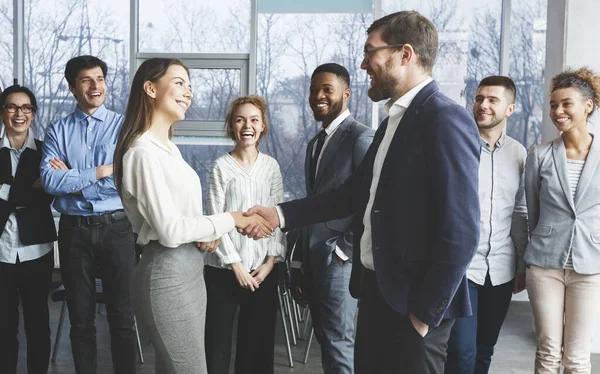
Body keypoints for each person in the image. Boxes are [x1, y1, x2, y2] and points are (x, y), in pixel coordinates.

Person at [243, 10, 481, 374]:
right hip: (375, 295)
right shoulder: (391, 123)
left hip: (413, 309)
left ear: (405, 54)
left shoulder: (445, 119)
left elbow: (462, 231)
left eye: (371, 52)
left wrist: (424, 314)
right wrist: (280, 215)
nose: (363, 63)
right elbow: (351, 196)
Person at [113, 58, 272, 374]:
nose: (189, 92)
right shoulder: (142, 152)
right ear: (150, 88)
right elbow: (170, 231)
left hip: (190, 271)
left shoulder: (169, 149)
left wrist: (204, 232)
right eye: (179, 82)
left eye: (189, 84)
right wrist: (230, 219)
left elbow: (180, 218)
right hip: (165, 274)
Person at [40, 55, 137, 374]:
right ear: (72, 87)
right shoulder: (58, 130)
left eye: (100, 79)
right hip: (74, 233)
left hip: (118, 229)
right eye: (86, 80)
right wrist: (99, 171)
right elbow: (50, 181)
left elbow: (125, 181)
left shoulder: (124, 127)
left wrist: (76, 178)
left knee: (122, 319)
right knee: (80, 321)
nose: (95, 86)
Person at [287, 63, 373, 374]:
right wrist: (298, 262)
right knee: (325, 340)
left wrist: (344, 251)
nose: (318, 96)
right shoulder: (314, 145)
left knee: (339, 343)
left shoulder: (362, 138)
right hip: (313, 259)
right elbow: (314, 205)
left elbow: (369, 205)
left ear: (346, 94)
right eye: (313, 90)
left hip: (340, 261)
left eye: (327, 90)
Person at [444, 76, 528, 374]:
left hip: (501, 268)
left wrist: (520, 266)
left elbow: (519, 213)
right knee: (460, 352)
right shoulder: (456, 145)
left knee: (485, 349)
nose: (483, 105)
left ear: (510, 108)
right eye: (479, 98)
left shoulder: (519, 154)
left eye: (493, 100)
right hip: (462, 268)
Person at [525, 67, 600, 374]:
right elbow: (530, 210)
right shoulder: (539, 155)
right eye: (554, 105)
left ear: (588, 105)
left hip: (590, 266)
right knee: (547, 352)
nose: (558, 111)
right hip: (545, 265)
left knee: (578, 358)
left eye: (566, 103)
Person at [204, 95, 286, 374]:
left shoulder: (271, 167)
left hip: (263, 270)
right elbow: (217, 220)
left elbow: (277, 218)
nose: (246, 126)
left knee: (258, 347)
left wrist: (270, 263)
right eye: (239, 120)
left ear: (263, 126)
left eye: (253, 120)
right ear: (231, 126)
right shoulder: (220, 167)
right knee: (217, 344)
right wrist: (234, 264)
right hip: (223, 271)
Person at [0, 85, 57, 374]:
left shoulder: (47, 150)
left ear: (33, 114)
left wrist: (5, 190)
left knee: (38, 325)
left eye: (25, 108)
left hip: (37, 249)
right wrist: (28, 190)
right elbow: (35, 194)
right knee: (3, 328)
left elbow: (50, 194)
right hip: (0, 252)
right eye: (11, 107)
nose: (18, 113)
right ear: (3, 112)